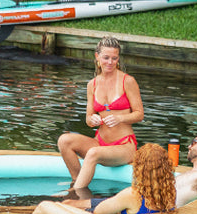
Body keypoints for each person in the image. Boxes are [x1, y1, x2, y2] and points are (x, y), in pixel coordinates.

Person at [55, 37, 142, 201]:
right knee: (64, 140)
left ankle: (74, 195)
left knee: (94, 153)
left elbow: (139, 114)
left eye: (114, 58)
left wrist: (120, 118)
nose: (110, 62)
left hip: (124, 145)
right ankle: (79, 182)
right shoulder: (92, 84)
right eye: (106, 58)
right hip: (100, 141)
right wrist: (92, 120)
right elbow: (88, 119)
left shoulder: (128, 81)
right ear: (97, 57)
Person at [32, 144, 179, 214]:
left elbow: (99, 212)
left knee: (45, 206)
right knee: (67, 204)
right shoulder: (169, 191)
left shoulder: (133, 194)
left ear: (140, 168)